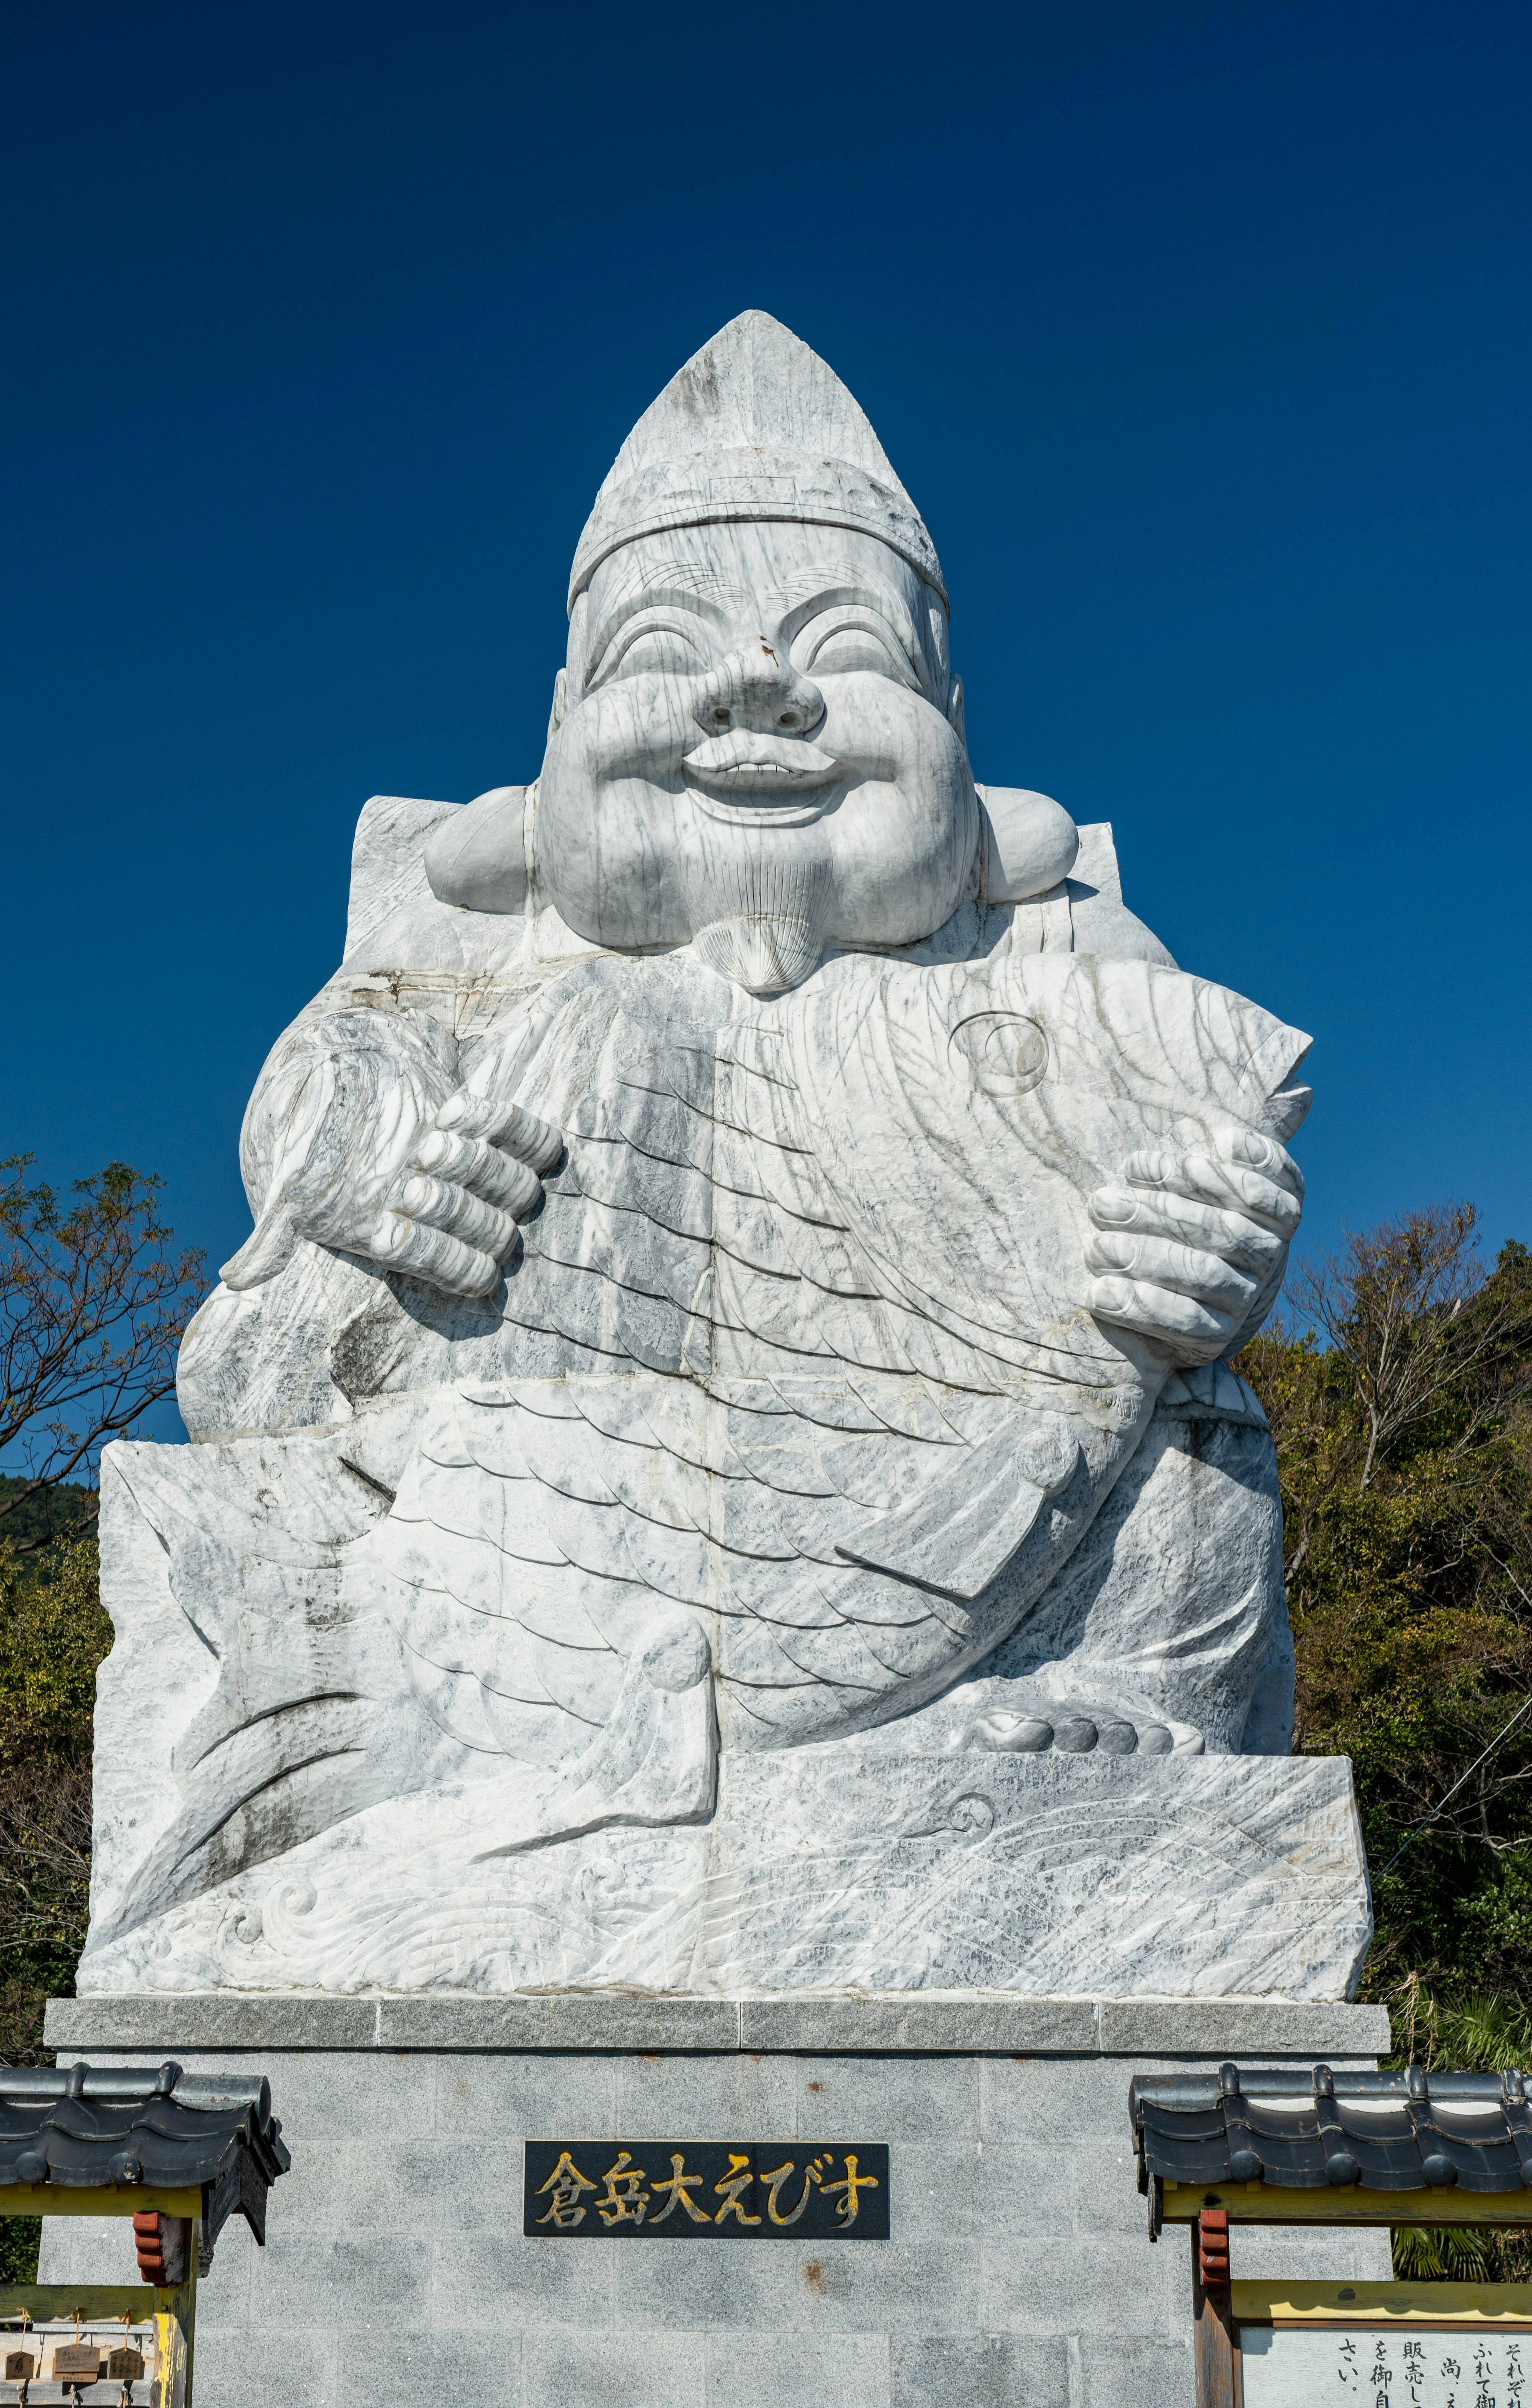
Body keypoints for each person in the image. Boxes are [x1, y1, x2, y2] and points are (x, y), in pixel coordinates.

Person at [87, 314, 1308, 1979]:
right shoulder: (471, 958)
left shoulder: (1067, 959)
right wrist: (373, 1163)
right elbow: (325, 1081)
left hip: (996, 1531)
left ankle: (1125, 1705)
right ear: (558, 729)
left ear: (955, 731)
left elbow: (1200, 1160)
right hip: (521, 1556)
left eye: (845, 654)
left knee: (1200, 1434)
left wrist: (1212, 1238)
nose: (760, 690)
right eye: (666, 647)